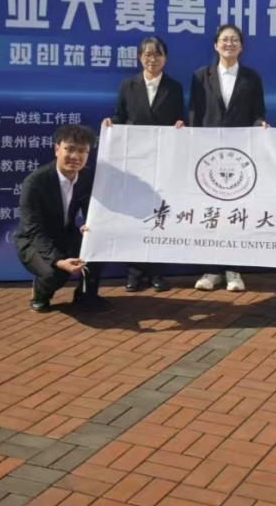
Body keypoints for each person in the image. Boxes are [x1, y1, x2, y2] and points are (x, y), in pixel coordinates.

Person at [102, 35, 184, 292]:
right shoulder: (128, 85)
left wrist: (181, 124)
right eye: (148, 54)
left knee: (160, 213)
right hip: (135, 159)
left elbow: (180, 117)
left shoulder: (174, 87)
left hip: (163, 158)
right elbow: (120, 115)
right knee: (136, 214)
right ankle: (134, 272)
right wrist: (111, 123)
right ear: (140, 57)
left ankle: (158, 273)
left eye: (157, 54)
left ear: (165, 59)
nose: (152, 59)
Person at [188, 23, 266, 291]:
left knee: (235, 211)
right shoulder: (201, 75)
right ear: (215, 45)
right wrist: (192, 143)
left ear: (241, 46)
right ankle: (211, 270)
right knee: (210, 211)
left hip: (239, 155)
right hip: (208, 155)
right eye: (224, 39)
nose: (229, 44)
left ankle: (233, 270)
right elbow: (194, 112)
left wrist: (260, 124)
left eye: (234, 40)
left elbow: (258, 112)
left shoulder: (251, 78)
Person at [15, 123, 100, 313]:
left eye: (82, 151)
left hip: (66, 233)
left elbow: (92, 206)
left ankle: (86, 296)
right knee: (54, 273)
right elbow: (33, 229)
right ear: (57, 149)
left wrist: (89, 224)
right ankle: (40, 294)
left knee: (97, 250)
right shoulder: (35, 182)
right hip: (33, 239)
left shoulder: (87, 177)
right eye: (69, 149)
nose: (75, 156)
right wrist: (59, 261)